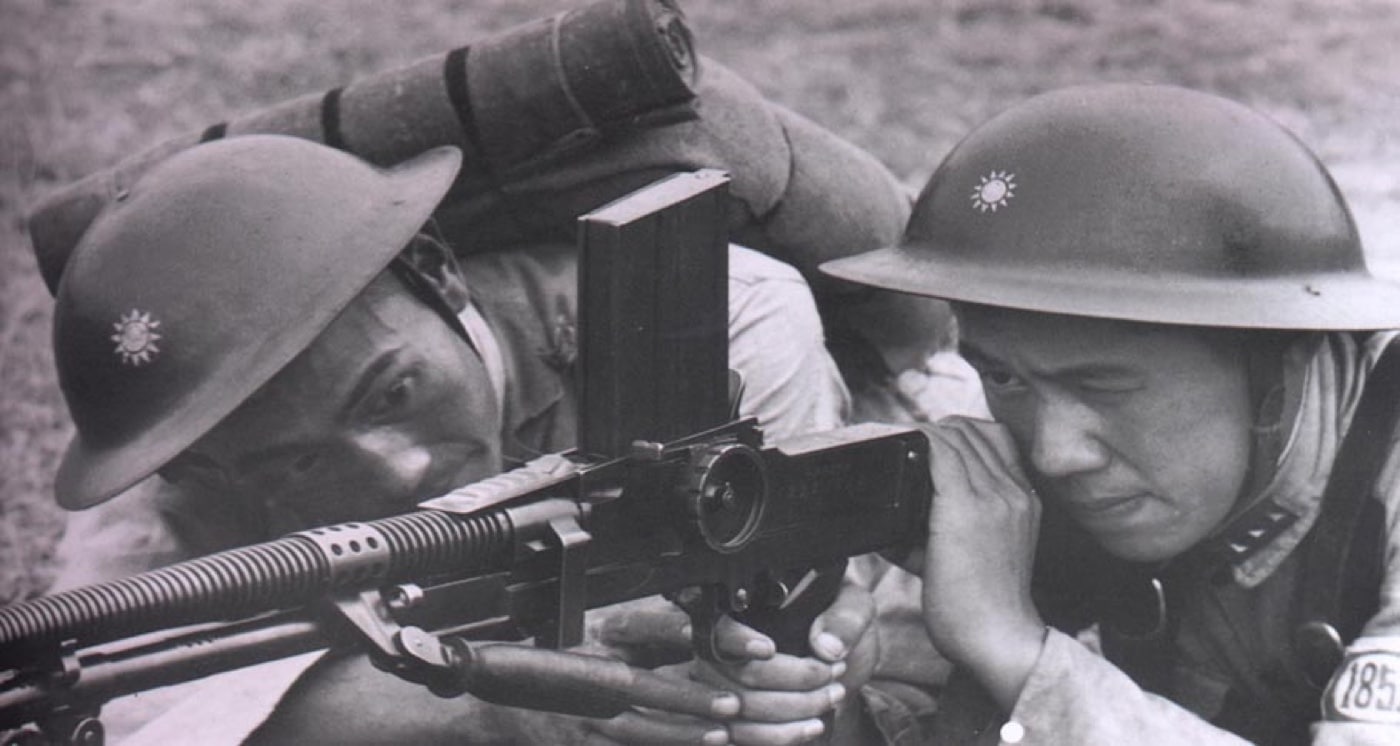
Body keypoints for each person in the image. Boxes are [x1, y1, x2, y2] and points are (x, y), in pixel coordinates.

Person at [45, 134, 870, 745]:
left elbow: (798, 608)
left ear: (437, 270)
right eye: (296, 462)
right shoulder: (169, 482)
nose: (399, 470)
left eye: (393, 393)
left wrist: (783, 669)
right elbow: (111, 711)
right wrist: (473, 700)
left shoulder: (715, 321)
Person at [821, 83, 1400, 744]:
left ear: (1284, 364)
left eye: (1107, 386)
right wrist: (821, 704)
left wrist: (1020, 654)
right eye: (1004, 376)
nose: (1055, 453)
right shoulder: (1040, 481)